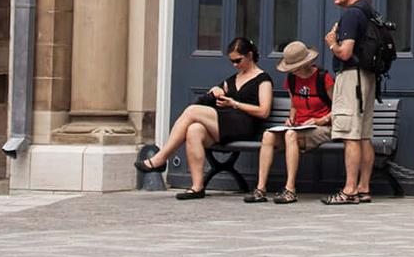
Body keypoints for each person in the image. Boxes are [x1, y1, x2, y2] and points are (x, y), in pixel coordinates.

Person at [137, 35, 272, 198]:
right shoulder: (232, 80)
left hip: (245, 125)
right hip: (225, 124)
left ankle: (162, 158)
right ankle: (197, 186)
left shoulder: (263, 79)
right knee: (194, 130)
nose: (235, 65)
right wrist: (214, 92)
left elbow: (264, 111)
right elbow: (203, 101)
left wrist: (234, 104)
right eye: (232, 62)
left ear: (250, 55)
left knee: (192, 111)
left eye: (238, 60)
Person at [250, 38, 334, 202]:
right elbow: (294, 104)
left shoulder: (323, 78)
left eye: (293, 67)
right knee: (268, 135)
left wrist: (319, 120)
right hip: (298, 127)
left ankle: (290, 189)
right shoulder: (292, 79)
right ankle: (260, 189)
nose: (291, 70)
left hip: (322, 126)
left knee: (290, 136)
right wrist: (290, 118)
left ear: (304, 64)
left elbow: (339, 108)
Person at [323, 0, 376, 204]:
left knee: (351, 135)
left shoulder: (351, 15)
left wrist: (332, 43)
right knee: (364, 135)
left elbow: (345, 52)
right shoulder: (367, 11)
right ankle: (364, 187)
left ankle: (349, 189)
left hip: (351, 78)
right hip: (366, 76)